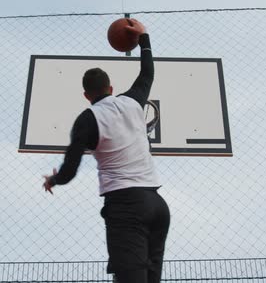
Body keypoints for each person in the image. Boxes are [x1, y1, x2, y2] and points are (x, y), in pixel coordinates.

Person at [42, 19, 170, 283]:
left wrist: (54, 179)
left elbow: (70, 169)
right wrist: (143, 38)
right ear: (110, 89)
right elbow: (147, 74)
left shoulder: (87, 119)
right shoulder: (133, 101)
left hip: (126, 207)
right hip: (157, 205)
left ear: (86, 95)